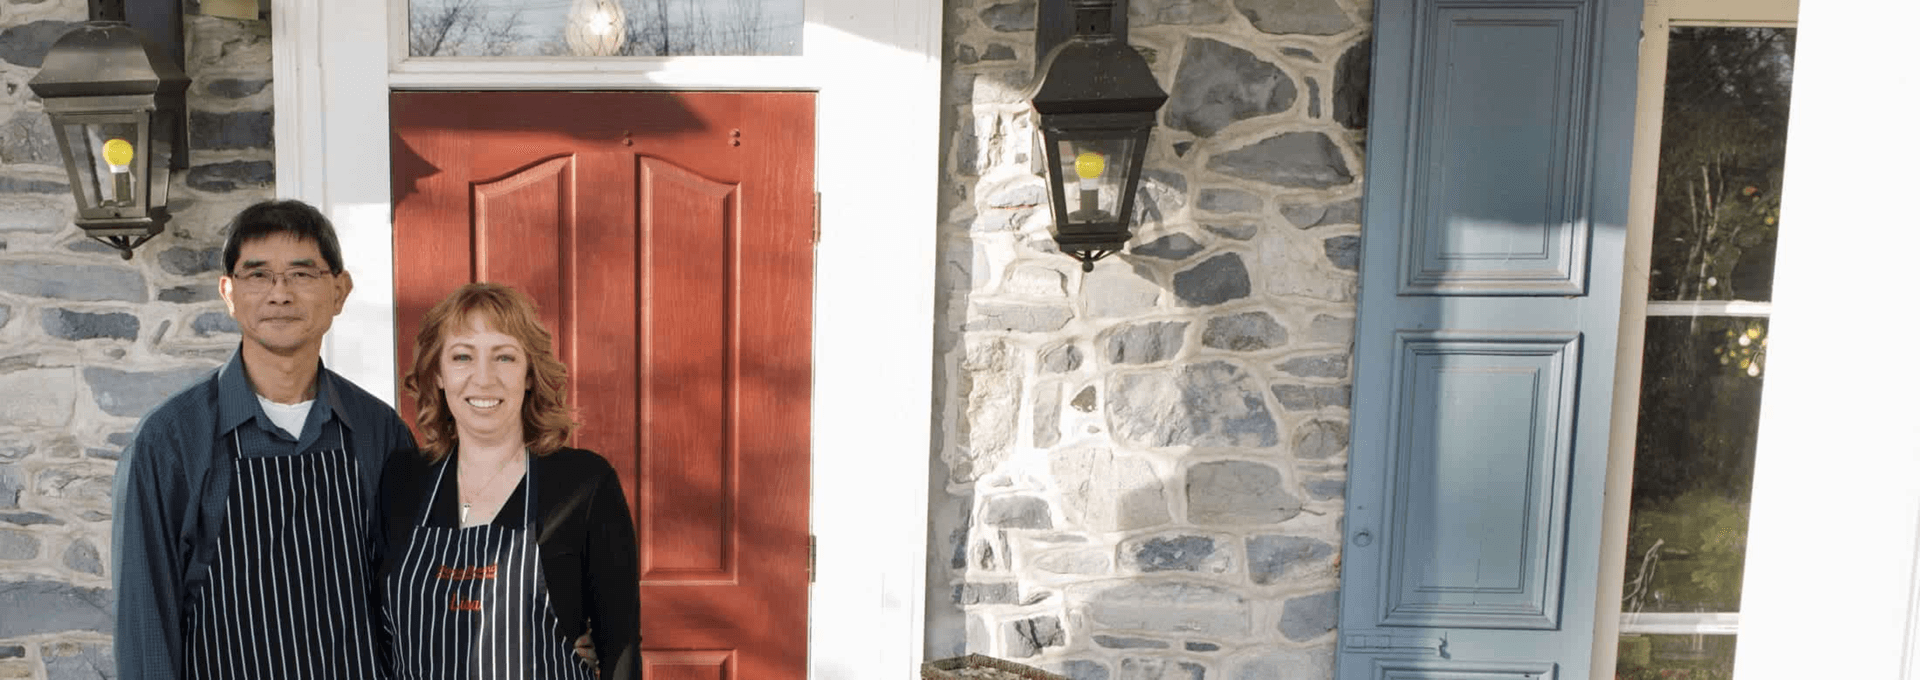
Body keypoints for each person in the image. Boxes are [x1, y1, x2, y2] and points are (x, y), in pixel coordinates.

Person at [112, 199, 417, 679]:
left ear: (340, 291)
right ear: (229, 293)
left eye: (301, 274)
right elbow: (145, 620)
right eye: (258, 275)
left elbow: (411, 597)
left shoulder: (380, 431)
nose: (280, 294)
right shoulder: (170, 441)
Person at [376, 282, 638, 679]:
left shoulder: (583, 484)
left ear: (531, 374)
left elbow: (620, 647)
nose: (483, 379)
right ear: (438, 373)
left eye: (504, 358)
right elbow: (377, 637)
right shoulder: (402, 480)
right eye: (463, 357)